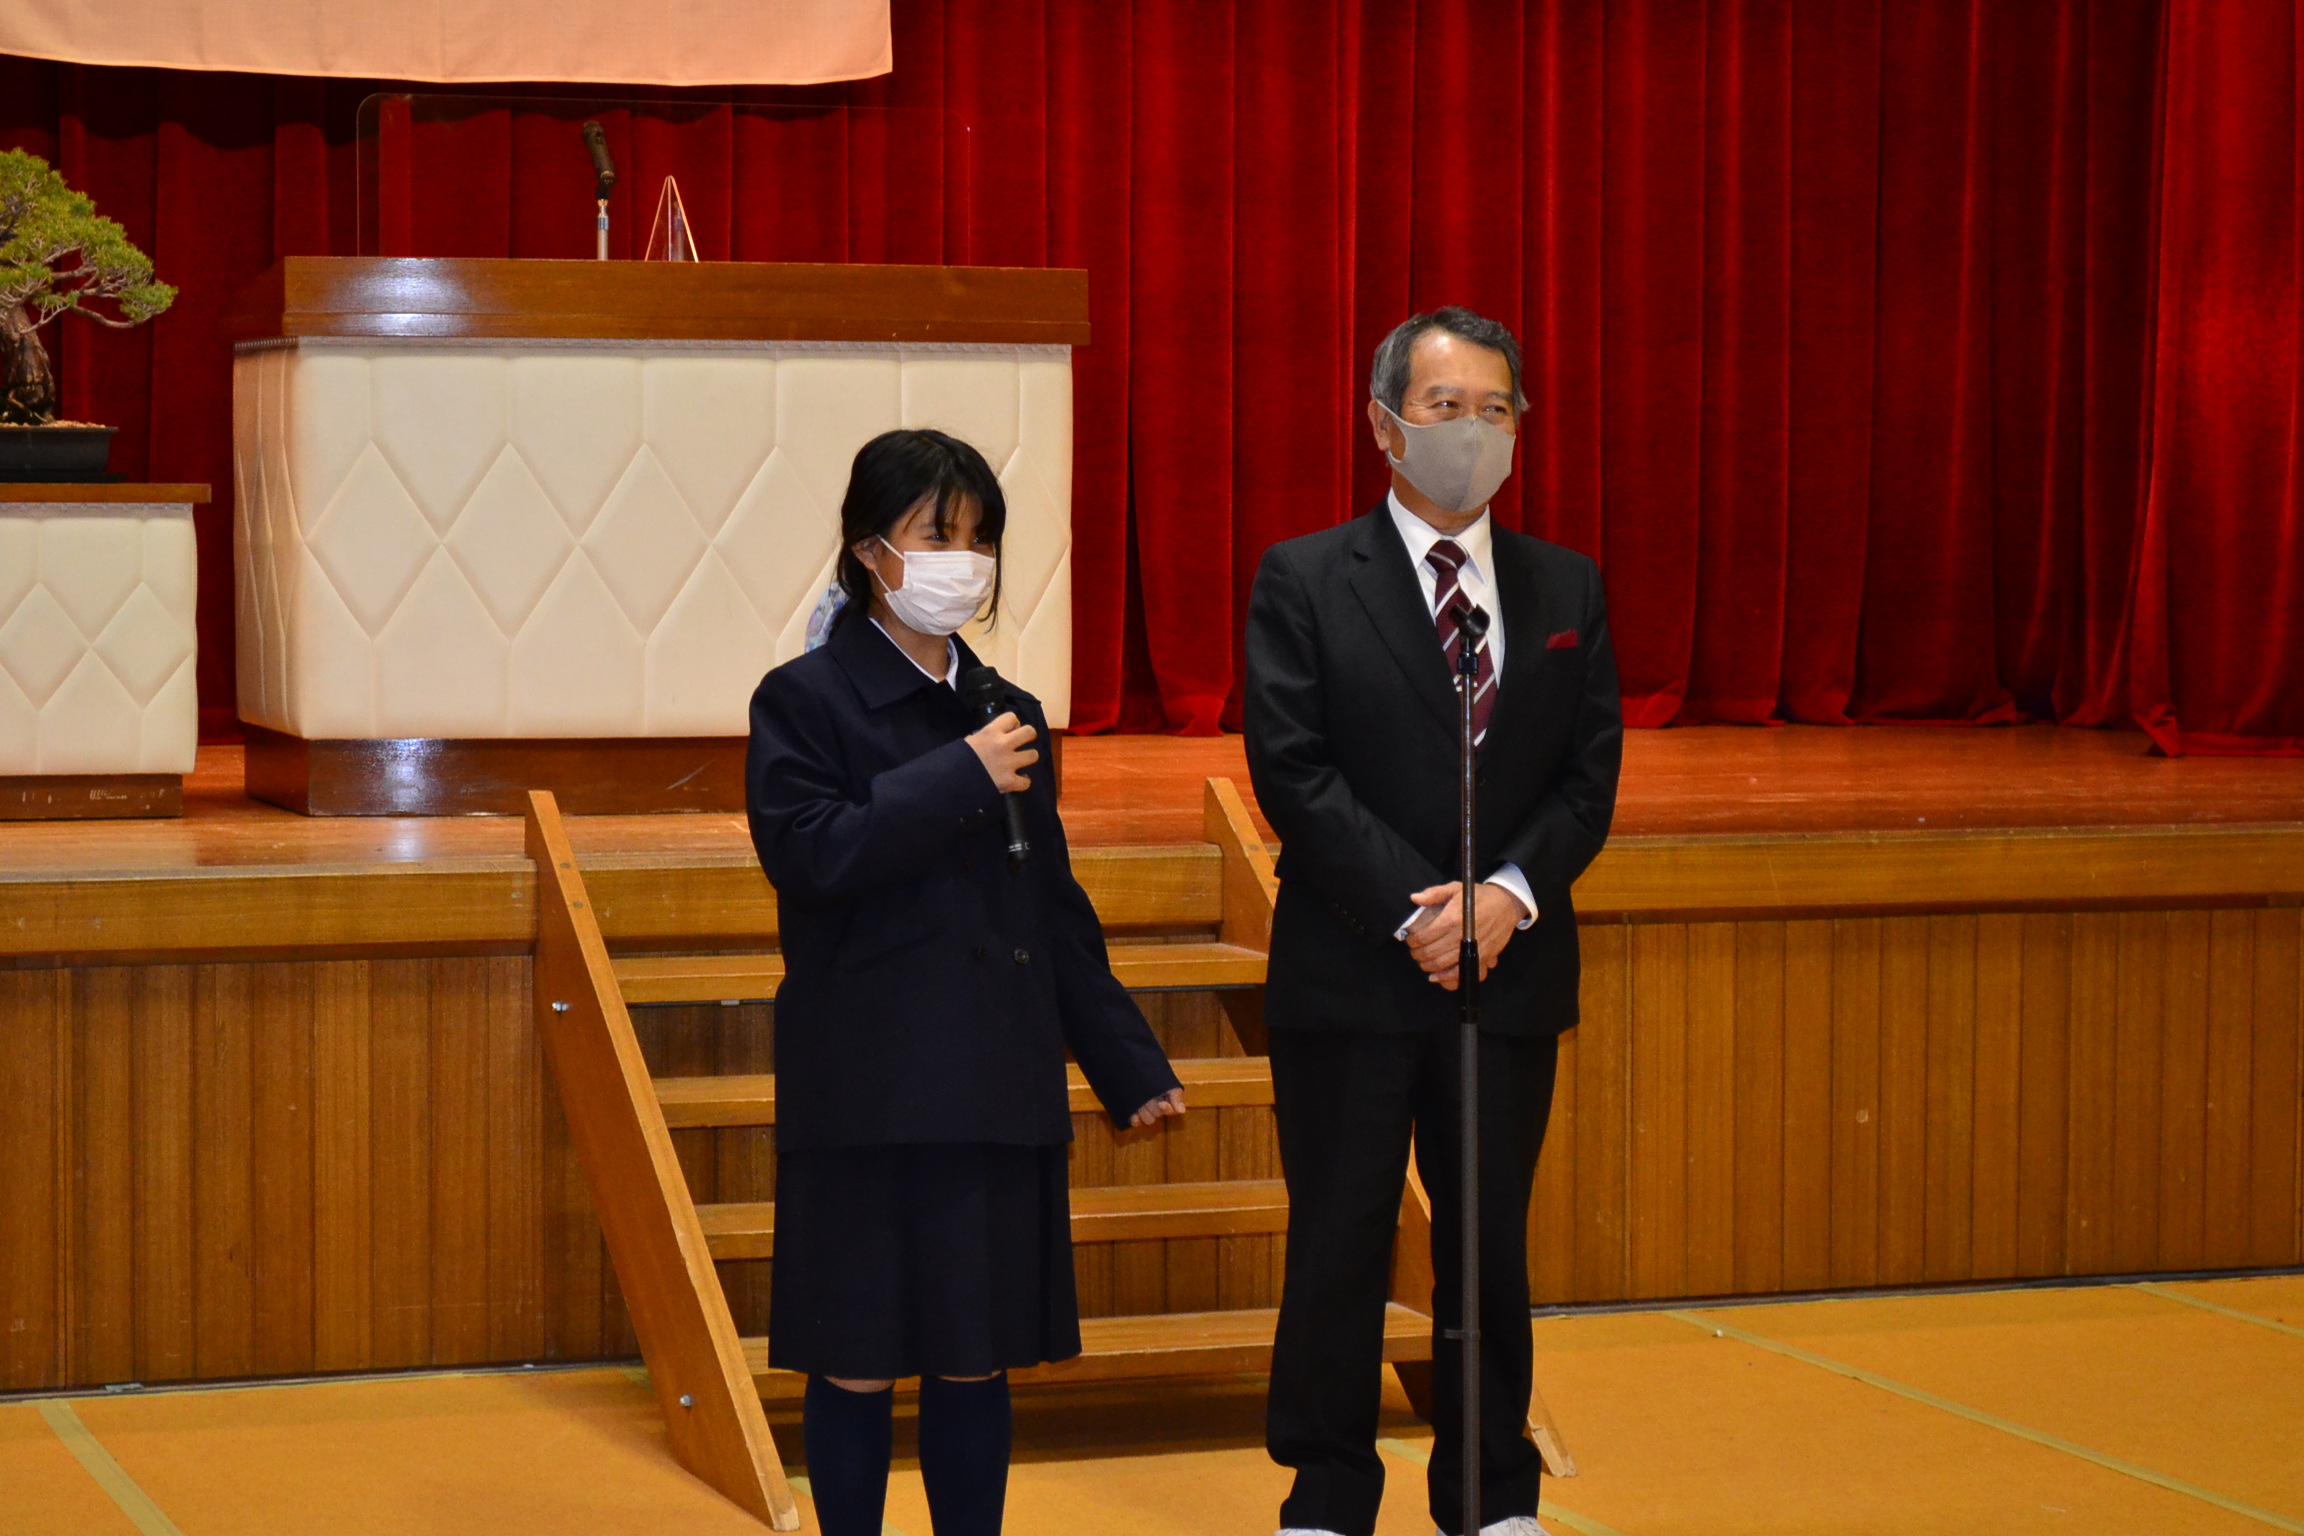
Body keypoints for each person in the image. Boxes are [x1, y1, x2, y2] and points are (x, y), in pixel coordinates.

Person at [746, 428, 1186, 1536]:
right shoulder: (803, 699)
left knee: (972, 1358)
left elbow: (1052, 905)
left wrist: (1127, 1060)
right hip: (867, 1089)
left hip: (992, 1082)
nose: (966, 561)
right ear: (870, 550)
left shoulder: (1009, 708)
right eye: (939, 535)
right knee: (855, 1359)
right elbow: (809, 855)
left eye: (981, 539)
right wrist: (959, 775)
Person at [1244, 308, 1622, 1536]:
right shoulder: (1305, 576)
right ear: (1385, 425)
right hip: (1353, 966)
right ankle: (1325, 1494)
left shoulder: (1566, 586)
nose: (1473, 431)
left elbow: (1588, 780)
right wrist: (1421, 910)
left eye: (1495, 409)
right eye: (1446, 407)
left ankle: (1489, 1496)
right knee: (1339, 1243)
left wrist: (1506, 896)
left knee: (1486, 1248)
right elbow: (1293, 771)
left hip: (1507, 969)